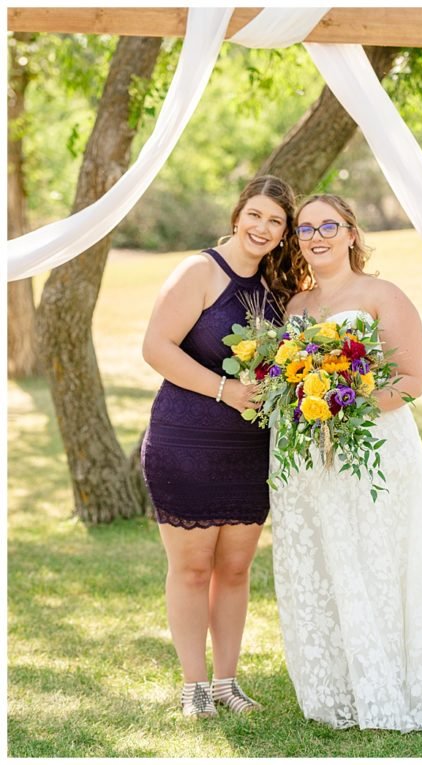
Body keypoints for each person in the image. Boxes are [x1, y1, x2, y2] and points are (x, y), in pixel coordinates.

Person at [269, 194, 422, 734]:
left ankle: (398, 679)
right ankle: (344, 680)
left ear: (352, 233)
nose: (316, 236)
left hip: (373, 450)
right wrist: (306, 404)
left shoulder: (383, 294)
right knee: (329, 556)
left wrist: (338, 402)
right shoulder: (297, 307)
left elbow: (409, 381)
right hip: (308, 454)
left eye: (328, 225)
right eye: (306, 228)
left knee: (382, 554)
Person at [141, 176, 306, 717]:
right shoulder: (199, 271)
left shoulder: (279, 291)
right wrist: (224, 389)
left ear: (284, 233)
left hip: (249, 448)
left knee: (235, 570)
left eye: (275, 222)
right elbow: (155, 347)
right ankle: (193, 687)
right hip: (185, 439)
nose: (263, 228)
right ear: (238, 216)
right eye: (255, 215)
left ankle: (226, 684)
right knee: (191, 569)